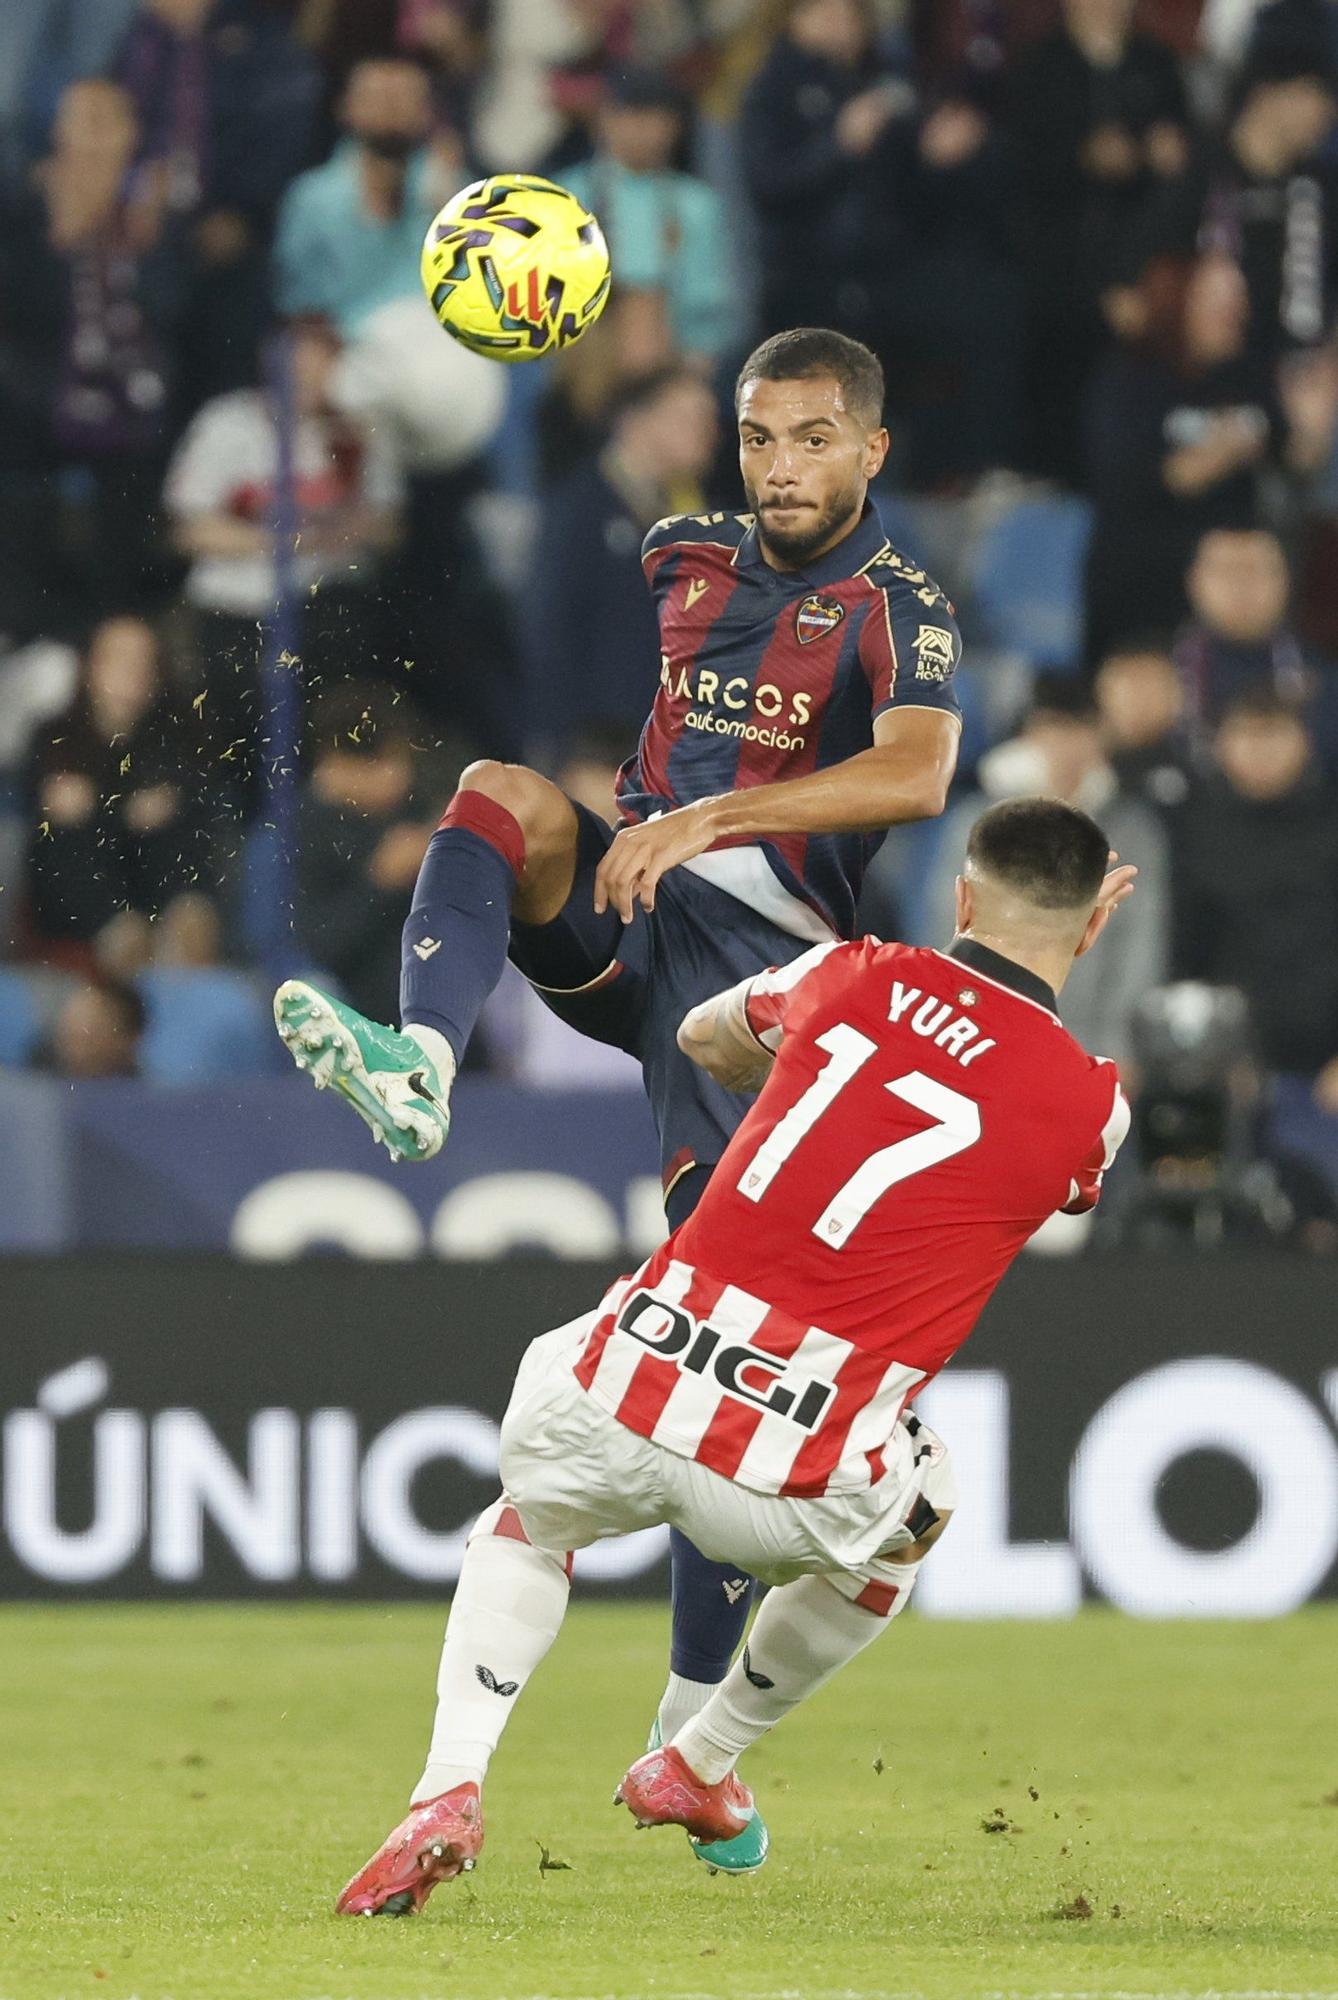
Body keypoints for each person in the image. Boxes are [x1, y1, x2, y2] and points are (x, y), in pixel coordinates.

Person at [274, 325, 964, 1873]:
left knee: (720, 1356)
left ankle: (681, 1736)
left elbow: (917, 776)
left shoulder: (896, 610)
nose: (776, 466)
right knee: (502, 800)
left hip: (746, 1006)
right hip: (633, 927)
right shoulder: (678, 557)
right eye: (756, 435)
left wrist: (710, 811)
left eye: (807, 439)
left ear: (868, 451)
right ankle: (422, 1068)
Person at [331, 796, 1134, 1915]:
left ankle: (446, 1786)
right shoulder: (1093, 1104)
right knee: (920, 1506)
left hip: (627, 1377)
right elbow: (1049, 1186)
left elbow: (704, 1037)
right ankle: (698, 1760)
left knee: (527, 1518)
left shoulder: (850, 971)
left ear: (963, 896)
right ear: (1098, 920)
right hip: (790, 1473)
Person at [1083, 252, 1283, 660]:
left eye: (1237, 301)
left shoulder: (1248, 377)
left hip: (1233, 572)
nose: (1236, 312)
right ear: (1180, 305)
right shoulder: (1130, 379)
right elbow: (1126, 481)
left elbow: (1289, 454)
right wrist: (1217, 455)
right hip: (1142, 570)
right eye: (1219, 302)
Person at [521, 365, 720, 761]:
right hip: (596, 747)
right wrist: (561, 749)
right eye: (688, 418)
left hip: (672, 741)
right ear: (634, 421)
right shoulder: (580, 509)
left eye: (709, 420)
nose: (708, 433)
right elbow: (548, 629)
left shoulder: (698, 516)